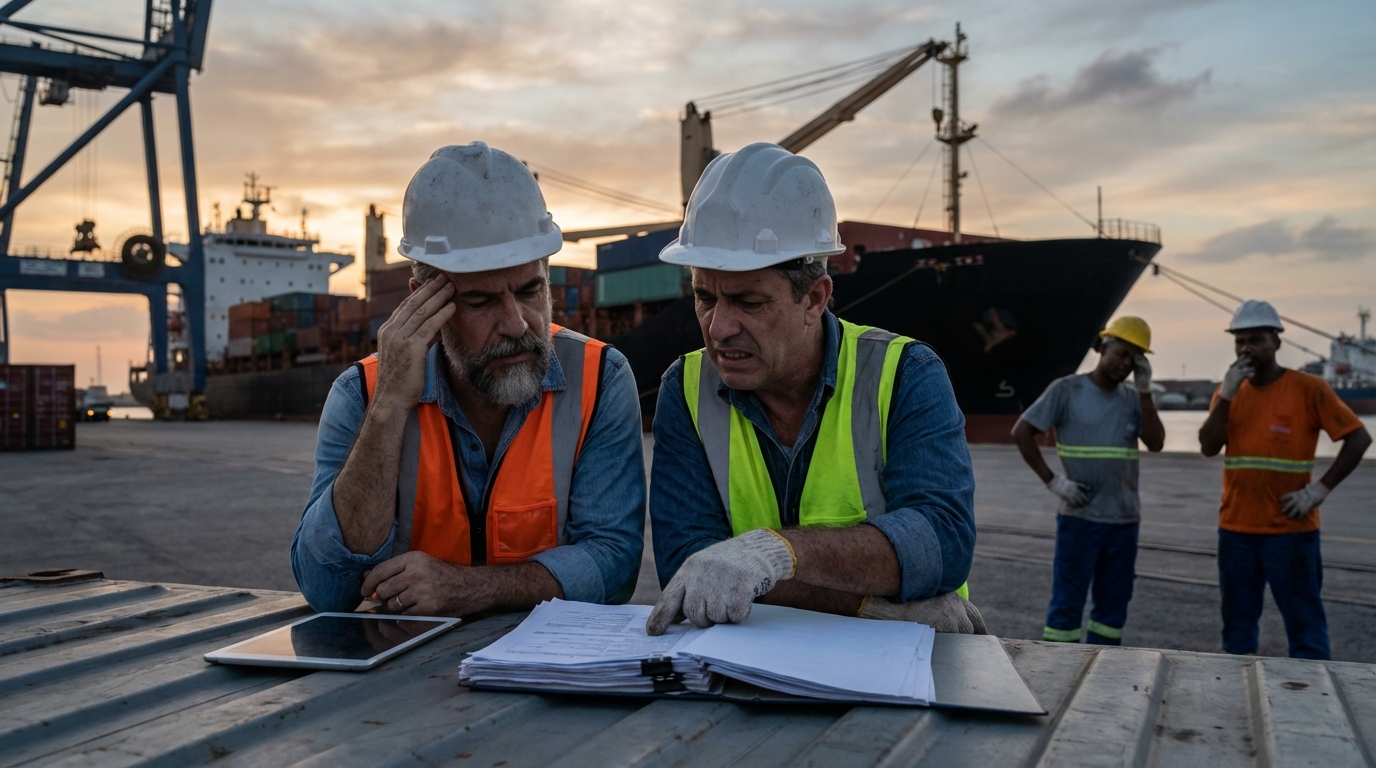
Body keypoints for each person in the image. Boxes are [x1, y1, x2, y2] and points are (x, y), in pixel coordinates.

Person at [291, 142, 645, 616]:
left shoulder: (600, 379)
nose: (517, 324)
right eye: (481, 302)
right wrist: (391, 406)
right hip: (409, 682)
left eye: (529, 290)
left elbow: (615, 567)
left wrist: (470, 588)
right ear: (424, 300)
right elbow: (327, 588)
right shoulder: (364, 393)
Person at [645, 142, 982, 637]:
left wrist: (777, 555)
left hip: (897, 678)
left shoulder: (905, 373)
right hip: (773, 665)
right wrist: (875, 607)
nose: (718, 328)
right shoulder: (685, 388)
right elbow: (692, 570)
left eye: (748, 302)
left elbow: (942, 541)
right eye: (704, 298)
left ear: (815, 298)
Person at [1199, 299, 1370, 660]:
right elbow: (1208, 446)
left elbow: (1358, 439)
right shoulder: (1229, 392)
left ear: (1276, 341)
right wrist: (1227, 394)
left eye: (1256, 340)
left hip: (1291, 533)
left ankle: (1313, 704)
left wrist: (1320, 490)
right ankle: (1236, 698)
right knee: (1238, 630)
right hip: (1237, 531)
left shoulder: (1308, 389)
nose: (1246, 349)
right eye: (1239, 341)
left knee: (1305, 627)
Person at [1010, 317, 1165, 646]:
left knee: (1113, 609)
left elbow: (1155, 442)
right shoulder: (1066, 390)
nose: (1125, 363)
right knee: (1066, 606)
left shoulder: (1134, 398)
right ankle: (1057, 672)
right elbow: (1022, 432)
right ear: (1102, 347)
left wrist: (1145, 390)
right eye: (1121, 354)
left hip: (1123, 521)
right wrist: (1053, 482)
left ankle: (1102, 670)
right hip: (1080, 520)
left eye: (1134, 359)